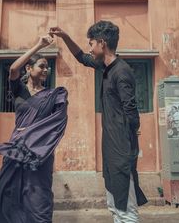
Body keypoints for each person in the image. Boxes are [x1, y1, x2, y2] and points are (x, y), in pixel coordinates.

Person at [49, 21, 147, 223]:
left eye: (91, 43)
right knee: (114, 205)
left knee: (125, 208)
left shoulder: (121, 71)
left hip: (121, 148)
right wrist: (65, 36)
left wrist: (130, 140)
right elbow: (81, 58)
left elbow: (131, 111)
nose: (90, 48)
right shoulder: (106, 66)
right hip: (112, 147)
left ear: (102, 43)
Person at [0, 35, 68, 223]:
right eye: (41, 66)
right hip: (17, 150)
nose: (45, 70)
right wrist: (39, 45)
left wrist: (33, 134)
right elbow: (13, 68)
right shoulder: (19, 90)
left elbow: (58, 121)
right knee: (8, 193)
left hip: (40, 152)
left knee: (39, 199)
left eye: (47, 67)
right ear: (29, 68)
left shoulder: (52, 95)